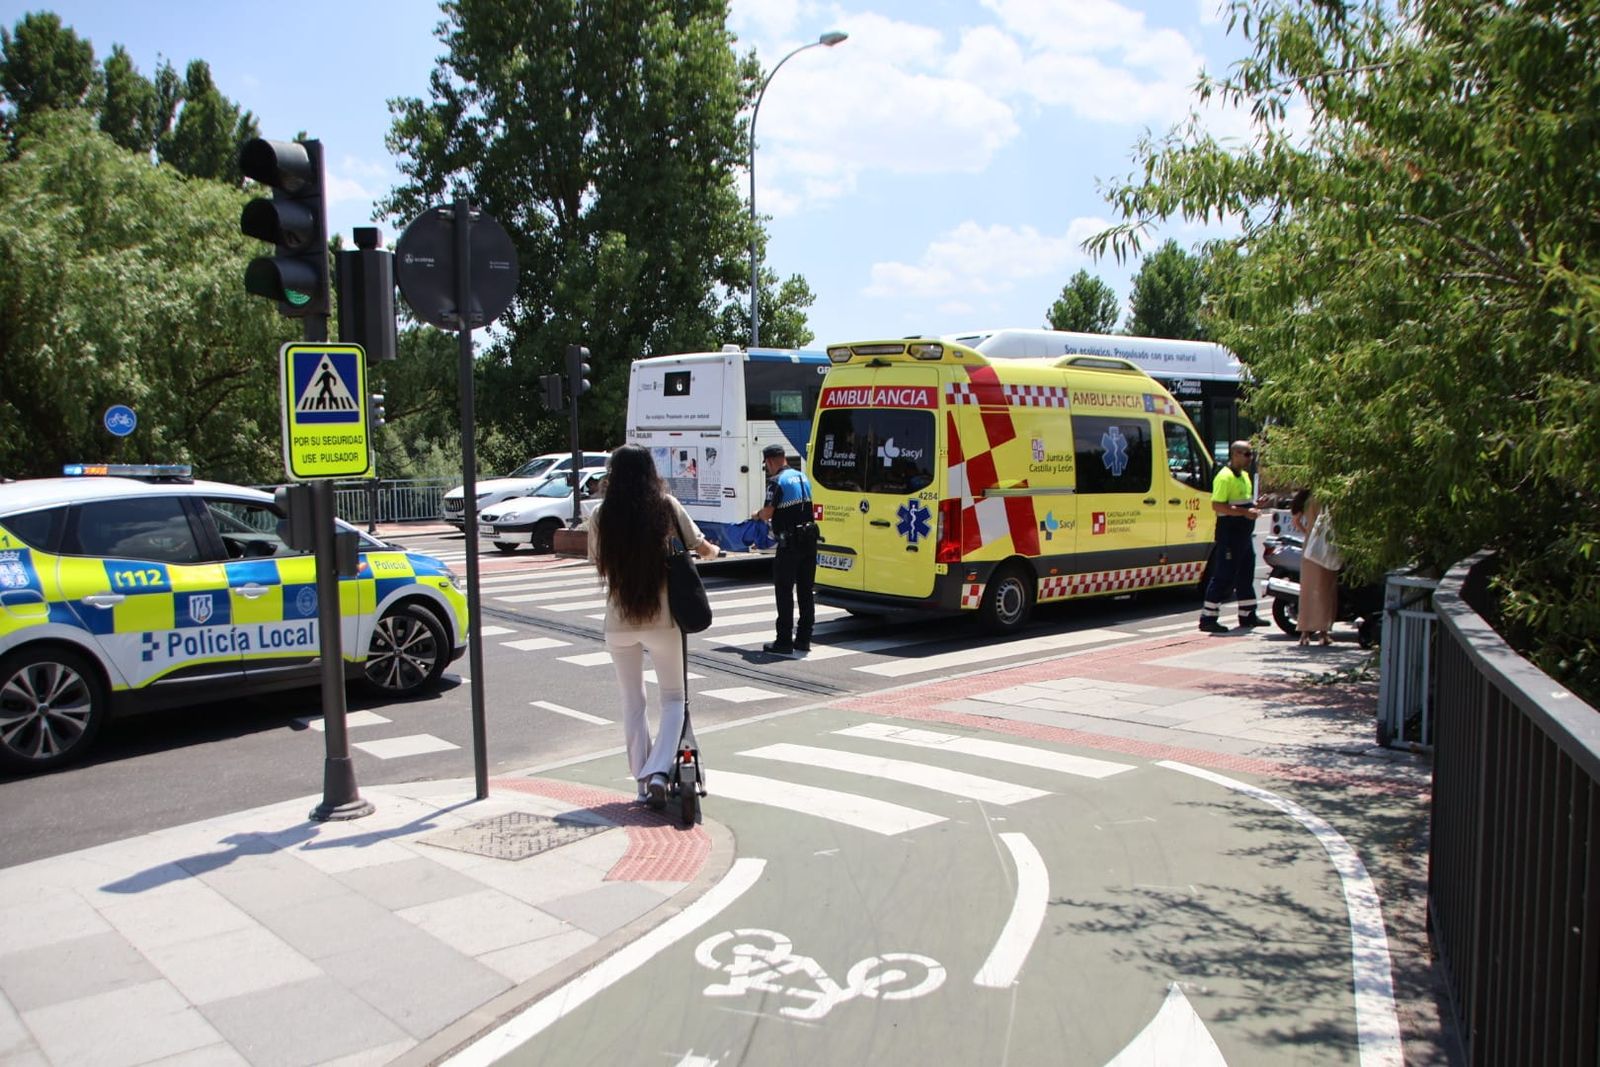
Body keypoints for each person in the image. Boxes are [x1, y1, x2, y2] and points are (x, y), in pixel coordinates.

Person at [586, 445, 719, 809]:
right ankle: (660, 771)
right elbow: (699, 545)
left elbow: (597, 560)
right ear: (650, 472)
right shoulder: (665, 507)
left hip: (619, 622)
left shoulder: (601, 515)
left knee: (633, 701)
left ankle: (642, 782)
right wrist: (713, 551)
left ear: (613, 475)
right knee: (674, 698)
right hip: (662, 621)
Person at [752, 442, 818, 656]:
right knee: (806, 591)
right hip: (809, 540)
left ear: (770, 461)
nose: (767, 469)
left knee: (784, 591)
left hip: (790, 544)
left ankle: (784, 641)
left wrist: (757, 515)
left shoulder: (776, 482)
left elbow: (768, 512)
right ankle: (804, 639)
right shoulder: (802, 477)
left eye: (766, 465)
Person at [1199, 440, 1269, 633]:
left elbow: (1243, 503)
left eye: (1251, 454)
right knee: (1224, 575)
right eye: (1247, 454)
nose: (1250, 458)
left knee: (1246, 573)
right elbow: (1217, 505)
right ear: (1235, 454)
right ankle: (1208, 618)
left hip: (1244, 534)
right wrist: (1245, 513)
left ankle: (1248, 615)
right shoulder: (1224, 477)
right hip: (1229, 534)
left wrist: (1256, 506)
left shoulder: (1244, 476)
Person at [1293, 488, 1338, 647]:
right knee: (1326, 589)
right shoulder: (1329, 496)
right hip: (1326, 546)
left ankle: (1304, 633)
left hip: (1310, 546)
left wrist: (1308, 533)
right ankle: (1323, 632)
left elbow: (1296, 521)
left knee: (1308, 589)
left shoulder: (1304, 498)